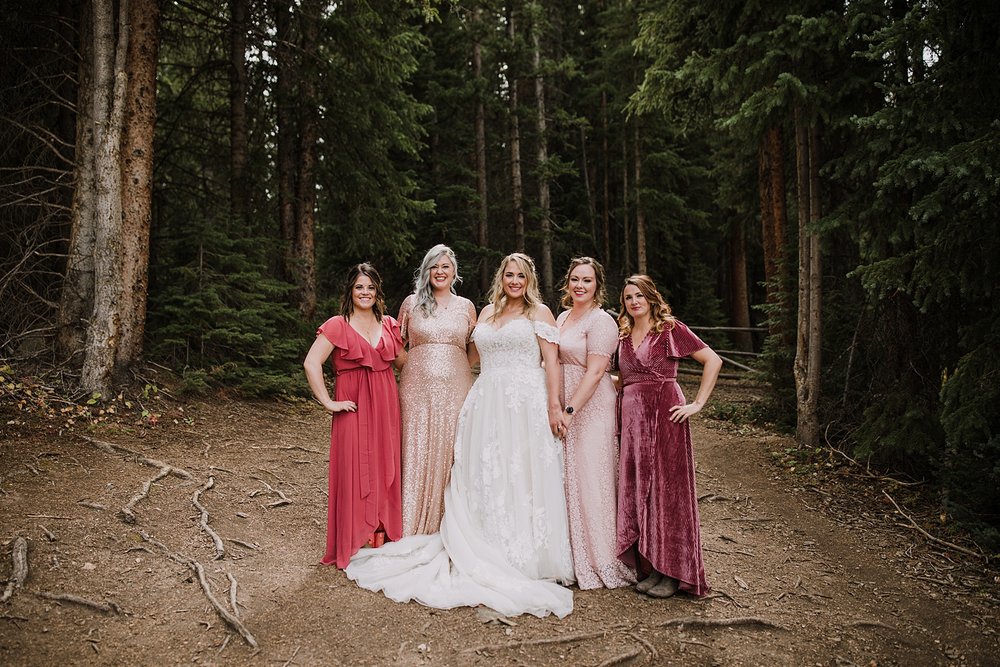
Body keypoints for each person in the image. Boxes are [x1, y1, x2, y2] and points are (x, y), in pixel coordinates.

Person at [346, 252, 575, 618]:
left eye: (520, 275)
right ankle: (469, 533)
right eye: (508, 274)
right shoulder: (486, 313)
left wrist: (554, 406)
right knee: (485, 472)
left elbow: (551, 362)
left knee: (521, 472)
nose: (514, 281)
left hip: (522, 402)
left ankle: (523, 552)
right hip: (485, 401)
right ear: (500, 277)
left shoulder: (539, 313)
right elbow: (454, 348)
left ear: (529, 279)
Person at [615, 275, 722, 598]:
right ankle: (652, 567)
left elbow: (712, 360)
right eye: (628, 297)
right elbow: (623, 378)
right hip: (633, 422)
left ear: (651, 298)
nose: (634, 301)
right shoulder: (622, 335)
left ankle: (674, 572)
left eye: (639, 296)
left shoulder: (669, 329)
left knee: (667, 493)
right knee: (640, 492)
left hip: (665, 416)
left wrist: (697, 404)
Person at [303, 263, 404, 568]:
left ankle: (379, 534)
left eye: (370, 287)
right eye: (360, 287)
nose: (365, 293)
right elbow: (311, 363)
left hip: (386, 404)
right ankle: (354, 537)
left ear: (378, 292)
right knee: (353, 466)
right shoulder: (338, 324)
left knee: (384, 463)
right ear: (350, 290)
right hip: (352, 404)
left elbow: (405, 363)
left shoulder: (388, 324)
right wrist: (329, 402)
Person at [555, 257, 636, 589]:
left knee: (593, 478)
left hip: (591, 407)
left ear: (597, 285)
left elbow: (597, 371)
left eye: (586, 280)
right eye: (575, 279)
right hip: (565, 405)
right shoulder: (561, 316)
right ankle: (574, 557)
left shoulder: (602, 321)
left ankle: (602, 557)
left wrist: (570, 410)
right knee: (568, 479)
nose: (579, 286)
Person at [397, 245, 477, 536]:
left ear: (454, 271)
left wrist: (454, 367)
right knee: (415, 447)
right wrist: (416, 365)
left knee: (452, 447)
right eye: (434, 266)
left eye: (445, 266)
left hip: (457, 387)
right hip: (415, 388)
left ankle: (449, 526)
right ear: (426, 271)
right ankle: (409, 522)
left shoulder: (466, 306)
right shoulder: (411, 303)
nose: (440, 272)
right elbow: (396, 343)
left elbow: (474, 347)